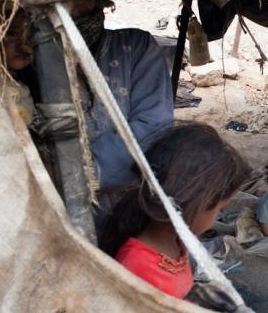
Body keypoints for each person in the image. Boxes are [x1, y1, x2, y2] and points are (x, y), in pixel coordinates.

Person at [98, 122, 251, 299]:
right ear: (198, 203)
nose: (217, 215)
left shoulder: (177, 243)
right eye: (220, 208)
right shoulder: (136, 266)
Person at [69, 0, 175, 191]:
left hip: (129, 200)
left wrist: (84, 172)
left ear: (98, 0)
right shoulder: (28, 59)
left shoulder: (136, 47)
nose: (69, 8)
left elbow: (155, 126)